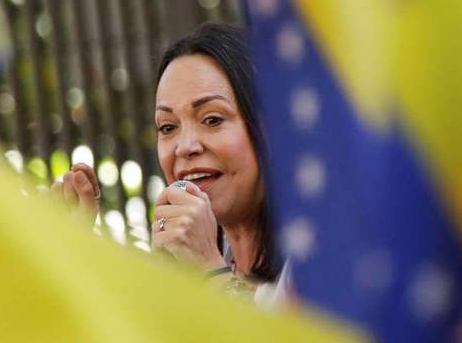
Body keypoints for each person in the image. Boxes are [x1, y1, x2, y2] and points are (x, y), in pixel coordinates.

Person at [53, 22, 289, 306]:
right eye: (168, 127)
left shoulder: (322, 256)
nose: (184, 147)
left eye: (212, 119)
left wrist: (210, 269)